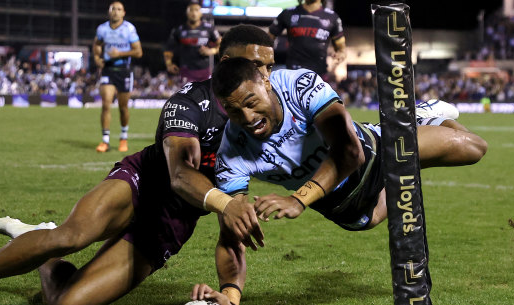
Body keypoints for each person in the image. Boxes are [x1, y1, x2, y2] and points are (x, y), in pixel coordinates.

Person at [0, 26, 277, 305]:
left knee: (66, 304)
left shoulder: (262, 121)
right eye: (256, 65)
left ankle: (45, 252)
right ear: (226, 63)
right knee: (72, 236)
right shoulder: (189, 102)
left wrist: (230, 296)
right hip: (141, 184)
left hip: (171, 222)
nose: (265, 75)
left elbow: (232, 233)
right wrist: (227, 204)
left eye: (270, 67)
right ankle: (46, 242)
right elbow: (180, 175)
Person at [210, 57, 487, 245]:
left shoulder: (298, 86)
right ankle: (410, 149)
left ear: (266, 83)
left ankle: (420, 117)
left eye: (251, 102)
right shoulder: (231, 152)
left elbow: (350, 153)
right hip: (343, 206)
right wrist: (229, 295)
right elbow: (231, 226)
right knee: (368, 221)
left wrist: (298, 200)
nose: (247, 117)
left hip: (372, 155)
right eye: (234, 111)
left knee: (473, 148)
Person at [93, 1, 143, 153]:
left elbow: (138, 52)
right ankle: (105, 141)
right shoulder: (102, 29)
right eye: (113, 9)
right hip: (108, 70)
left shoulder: (129, 29)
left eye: (119, 9)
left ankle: (123, 137)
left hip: (124, 71)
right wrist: (96, 57)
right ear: (109, 12)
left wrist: (119, 54)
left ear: (123, 13)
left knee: (123, 108)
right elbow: (97, 44)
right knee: (106, 104)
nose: (115, 11)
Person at [268, 0, 346, 79]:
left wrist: (340, 54)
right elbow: (268, 39)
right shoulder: (288, 13)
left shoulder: (332, 17)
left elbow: (341, 49)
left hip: (319, 74)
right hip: (292, 73)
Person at [163, 0, 221, 84]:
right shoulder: (179, 30)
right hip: (186, 71)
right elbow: (169, 48)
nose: (194, 13)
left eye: (196, 10)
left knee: (205, 96)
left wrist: (211, 51)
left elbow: (222, 44)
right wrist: (168, 64)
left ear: (201, 13)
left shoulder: (209, 28)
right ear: (186, 12)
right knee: (188, 97)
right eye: (191, 10)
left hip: (204, 71)